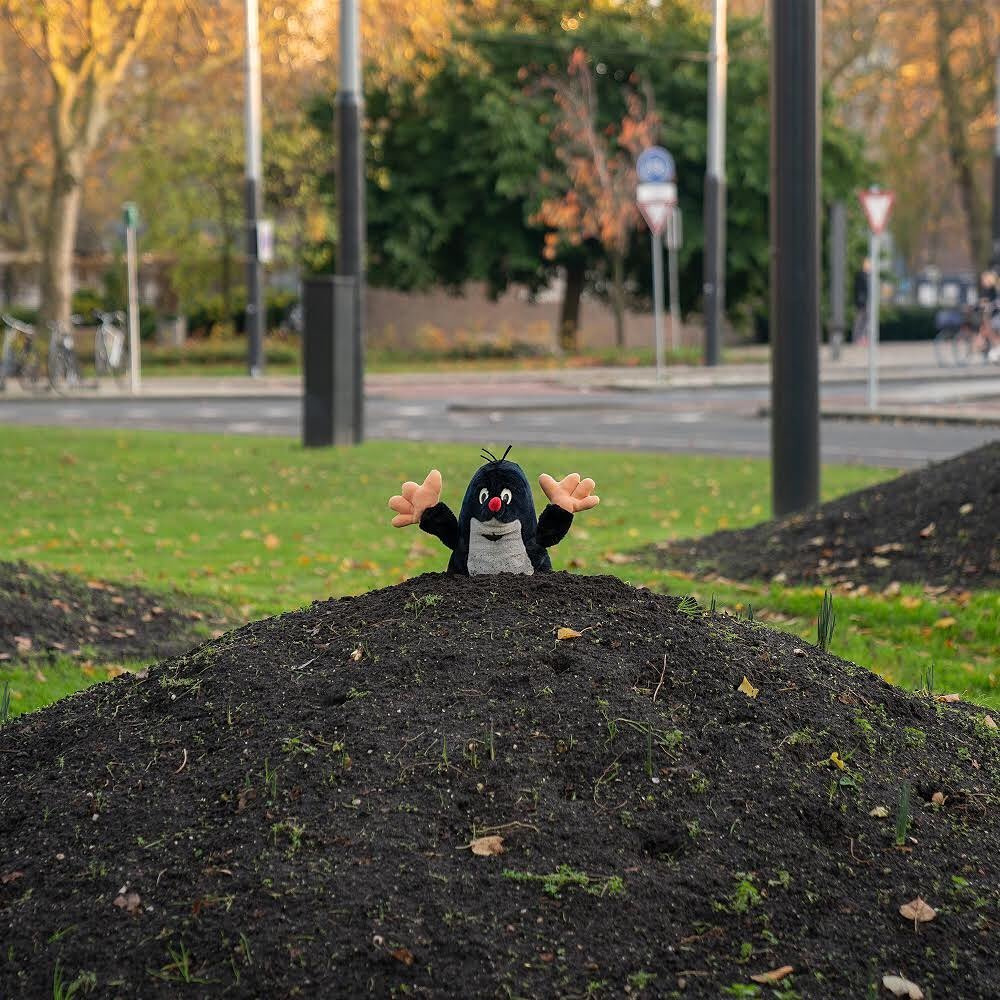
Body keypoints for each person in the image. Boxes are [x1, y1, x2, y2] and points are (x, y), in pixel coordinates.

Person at [852, 257, 870, 345]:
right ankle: (857, 338)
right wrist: (859, 301)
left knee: (866, 320)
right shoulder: (860, 275)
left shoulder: (867, 275)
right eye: (867, 264)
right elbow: (858, 290)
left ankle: (863, 337)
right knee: (859, 320)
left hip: (866, 301)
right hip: (861, 302)